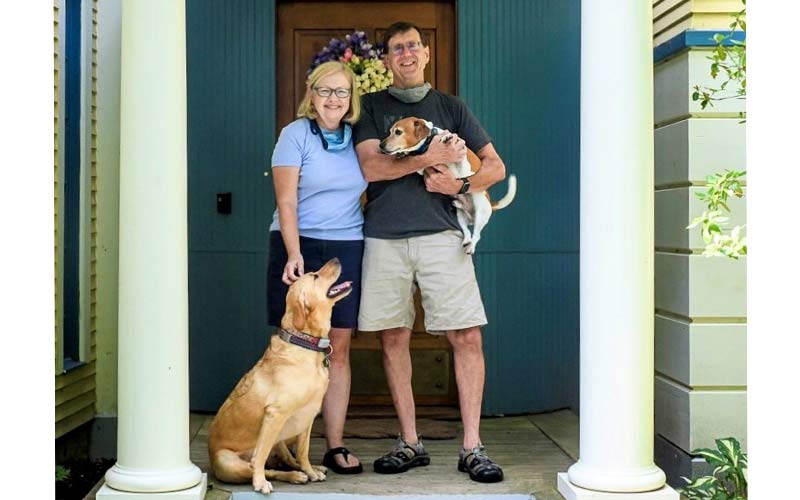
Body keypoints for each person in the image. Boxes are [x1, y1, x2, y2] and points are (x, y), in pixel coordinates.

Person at [352, 22, 507, 483]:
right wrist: (425, 157)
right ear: (385, 60)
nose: (405, 54)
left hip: (444, 236)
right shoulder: (372, 107)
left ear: (425, 53)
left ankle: (473, 447)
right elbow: (372, 166)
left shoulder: (451, 107)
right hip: (383, 237)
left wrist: (458, 183)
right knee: (392, 337)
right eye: (396, 48)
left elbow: (495, 168)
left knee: (467, 337)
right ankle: (410, 442)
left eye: (412, 46)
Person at [266, 61, 366, 474]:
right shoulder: (294, 135)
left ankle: (335, 445)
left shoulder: (359, 137)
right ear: (311, 93)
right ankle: (279, 446)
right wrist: (294, 253)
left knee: (337, 349)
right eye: (325, 91)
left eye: (341, 92)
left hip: (347, 245)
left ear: (351, 99)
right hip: (299, 244)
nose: (333, 99)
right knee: (291, 351)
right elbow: (286, 201)